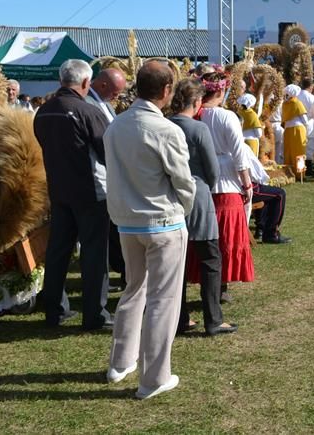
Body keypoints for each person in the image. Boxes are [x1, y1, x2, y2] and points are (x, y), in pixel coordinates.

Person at [105, 60, 195, 399]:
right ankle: (154, 377)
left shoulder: (116, 125)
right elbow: (183, 181)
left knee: (134, 289)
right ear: (167, 90)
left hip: (128, 223)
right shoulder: (166, 130)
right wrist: (183, 210)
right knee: (162, 299)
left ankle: (121, 362)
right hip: (161, 222)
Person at [33, 59, 113, 330]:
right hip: (89, 190)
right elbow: (106, 151)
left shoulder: (43, 111)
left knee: (58, 252)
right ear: (85, 83)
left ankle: (54, 310)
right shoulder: (87, 111)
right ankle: (95, 315)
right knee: (93, 254)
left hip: (59, 189)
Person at [167, 79, 236, 336]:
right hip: (197, 194)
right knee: (210, 258)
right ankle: (213, 318)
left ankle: (180, 318)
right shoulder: (198, 129)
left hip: (170, 197)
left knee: (178, 262)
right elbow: (213, 171)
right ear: (197, 103)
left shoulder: (165, 126)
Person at [195, 69, 254, 297]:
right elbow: (239, 153)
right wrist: (247, 183)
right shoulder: (226, 116)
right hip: (226, 180)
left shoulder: (195, 114)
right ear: (221, 90)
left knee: (205, 235)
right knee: (226, 236)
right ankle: (221, 284)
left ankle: (209, 283)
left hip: (201, 177)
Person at [85, 68, 129, 290]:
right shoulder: (89, 105)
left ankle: (122, 273)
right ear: (102, 85)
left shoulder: (105, 103)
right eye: (115, 92)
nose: (117, 97)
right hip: (99, 178)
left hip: (112, 176)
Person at [281, 84, 309, 172]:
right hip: (298, 129)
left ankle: (289, 172)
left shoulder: (284, 104)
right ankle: (300, 173)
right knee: (299, 151)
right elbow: (304, 119)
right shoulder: (297, 103)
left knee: (288, 151)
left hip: (287, 129)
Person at [297, 79, 314, 164]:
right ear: (311, 86)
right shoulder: (311, 97)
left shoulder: (297, 95)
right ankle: (308, 166)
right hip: (308, 121)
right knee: (309, 145)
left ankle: (300, 165)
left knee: (299, 145)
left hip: (297, 122)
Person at [237, 93, 263, 157]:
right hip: (251, 142)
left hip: (241, 141)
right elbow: (258, 133)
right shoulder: (252, 114)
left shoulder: (238, 112)